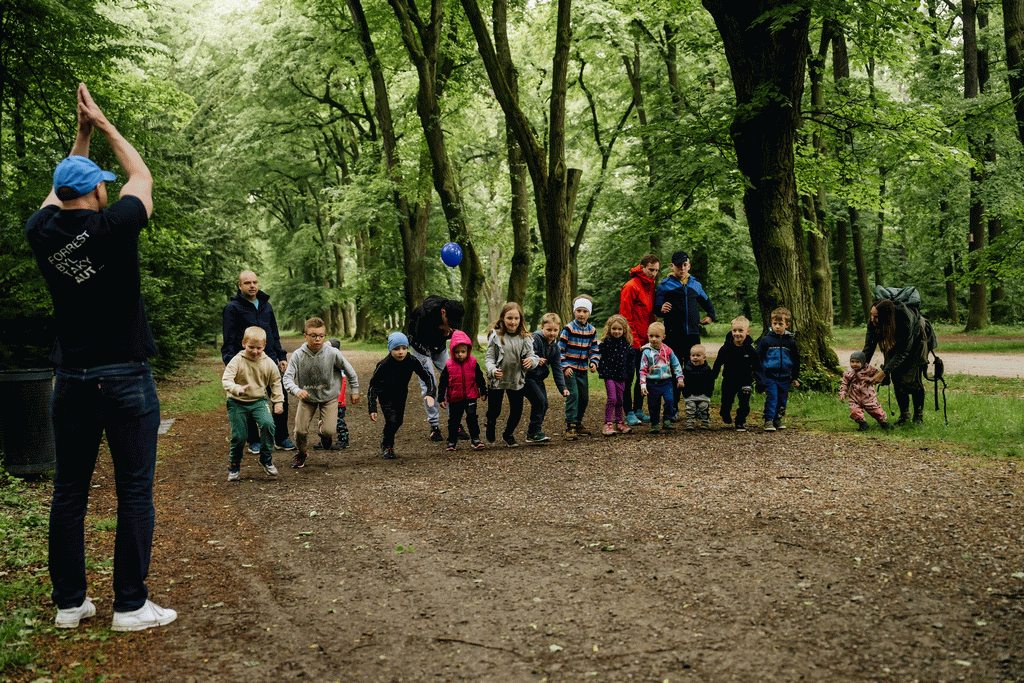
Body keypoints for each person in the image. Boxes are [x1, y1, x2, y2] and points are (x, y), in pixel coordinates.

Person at [25, 83, 176, 631]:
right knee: (133, 490)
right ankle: (130, 606)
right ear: (95, 192)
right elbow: (142, 176)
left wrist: (79, 137)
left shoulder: (42, 231)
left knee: (69, 491)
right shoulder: (115, 225)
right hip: (125, 378)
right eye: (101, 185)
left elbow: (57, 190)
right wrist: (103, 125)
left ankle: (70, 603)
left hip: (71, 380)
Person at [221, 270, 296, 452]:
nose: (252, 285)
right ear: (240, 286)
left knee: (280, 395)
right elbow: (229, 339)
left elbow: (274, 334)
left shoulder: (266, 306)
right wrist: (231, 362)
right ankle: (254, 440)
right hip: (245, 361)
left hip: (268, 359)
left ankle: (281, 437)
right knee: (248, 399)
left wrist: (281, 356)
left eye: (254, 282)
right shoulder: (232, 308)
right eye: (247, 283)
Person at [281, 317, 360, 469]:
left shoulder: (333, 353)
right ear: (305, 336)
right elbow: (287, 378)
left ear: (324, 335)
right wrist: (297, 390)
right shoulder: (298, 355)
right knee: (300, 431)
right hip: (307, 398)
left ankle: (323, 432)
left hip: (329, 397)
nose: (317, 339)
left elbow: (350, 371)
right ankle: (302, 453)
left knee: (329, 431)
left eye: (321, 336)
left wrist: (355, 390)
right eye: (313, 335)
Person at [654, 251, 716, 418]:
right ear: (671, 266)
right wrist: (660, 309)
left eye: (685, 265)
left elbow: (707, 302)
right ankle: (672, 408)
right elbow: (656, 306)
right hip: (673, 336)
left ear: (689, 265)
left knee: (695, 372)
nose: (682, 268)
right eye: (678, 265)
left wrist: (711, 316)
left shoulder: (695, 284)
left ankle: (696, 408)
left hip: (692, 335)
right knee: (674, 371)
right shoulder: (665, 285)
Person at [221, 326, 284, 480]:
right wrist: (236, 388)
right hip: (237, 402)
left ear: (264, 346)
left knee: (268, 425)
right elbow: (226, 379)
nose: (255, 351)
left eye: (259, 348)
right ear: (244, 343)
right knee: (240, 436)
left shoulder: (268, 362)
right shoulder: (237, 360)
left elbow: (276, 382)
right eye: (251, 347)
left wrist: (278, 401)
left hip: (258, 401)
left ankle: (266, 459)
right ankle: (234, 465)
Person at [367, 332, 437, 459]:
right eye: (396, 349)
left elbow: (427, 377)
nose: (401, 352)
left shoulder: (411, 360)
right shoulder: (384, 365)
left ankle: (386, 439)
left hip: (401, 395)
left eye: (404, 348)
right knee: (391, 420)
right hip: (385, 395)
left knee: (398, 421)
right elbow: (373, 386)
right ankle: (388, 446)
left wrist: (430, 393)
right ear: (390, 349)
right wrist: (372, 407)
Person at [407, 295, 466, 441]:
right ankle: (434, 426)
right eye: (449, 322)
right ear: (443, 312)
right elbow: (419, 337)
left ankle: (455, 423)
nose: (452, 325)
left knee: (454, 378)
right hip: (420, 347)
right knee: (430, 384)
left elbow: (453, 333)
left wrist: (446, 333)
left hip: (439, 347)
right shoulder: (423, 314)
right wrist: (441, 331)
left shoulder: (453, 314)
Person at [862, 299, 927, 426]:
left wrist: (884, 372)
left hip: (916, 343)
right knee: (896, 377)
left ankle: (918, 417)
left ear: (886, 317)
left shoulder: (905, 319)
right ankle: (904, 415)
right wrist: (860, 370)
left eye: (876, 317)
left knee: (913, 380)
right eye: (871, 315)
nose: (872, 319)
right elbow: (869, 347)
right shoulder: (873, 322)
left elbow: (903, 351)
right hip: (894, 342)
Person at [485, 302, 540, 447]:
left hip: (516, 379)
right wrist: (492, 370)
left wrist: (531, 361)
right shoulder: (496, 335)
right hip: (497, 379)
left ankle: (508, 434)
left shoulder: (525, 337)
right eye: (509, 318)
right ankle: (490, 422)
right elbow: (489, 358)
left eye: (516, 318)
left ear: (521, 319)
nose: (513, 322)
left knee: (517, 411)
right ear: (503, 318)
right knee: (494, 410)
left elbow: (532, 356)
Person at [618, 254, 660, 426]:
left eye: (656, 270)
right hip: (632, 341)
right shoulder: (631, 286)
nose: (654, 273)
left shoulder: (650, 286)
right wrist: (634, 341)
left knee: (643, 376)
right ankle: (628, 411)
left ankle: (638, 410)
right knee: (628, 377)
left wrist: (652, 337)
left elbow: (649, 314)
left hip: (646, 340)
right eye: (651, 270)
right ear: (642, 267)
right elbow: (625, 317)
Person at [438, 330, 488, 451]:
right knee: (454, 420)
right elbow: (443, 382)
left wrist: (483, 391)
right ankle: (452, 441)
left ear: (468, 351)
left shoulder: (473, 363)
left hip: (471, 396)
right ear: (452, 351)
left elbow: (480, 378)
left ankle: (475, 439)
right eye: (457, 352)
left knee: (472, 417)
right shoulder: (449, 365)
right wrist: (441, 397)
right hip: (455, 398)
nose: (460, 354)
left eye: (463, 351)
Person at [524, 313, 570, 444]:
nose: (552, 333)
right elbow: (528, 354)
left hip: (538, 379)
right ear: (542, 327)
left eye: (555, 330)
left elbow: (557, 368)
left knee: (544, 404)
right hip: (528, 377)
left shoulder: (555, 347)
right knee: (539, 401)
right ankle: (533, 432)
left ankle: (534, 432)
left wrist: (563, 388)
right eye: (549, 330)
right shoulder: (535, 339)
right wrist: (536, 359)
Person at [559, 297, 601, 440]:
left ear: (589, 313)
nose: (581, 314)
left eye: (584, 311)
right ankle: (570, 426)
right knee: (573, 395)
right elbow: (560, 350)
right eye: (579, 311)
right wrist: (565, 366)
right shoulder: (568, 329)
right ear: (574, 311)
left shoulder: (592, 330)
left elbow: (594, 349)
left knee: (584, 398)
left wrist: (594, 362)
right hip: (569, 369)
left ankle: (578, 422)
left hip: (582, 369)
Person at [756, 306, 801, 432]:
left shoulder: (790, 342)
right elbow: (758, 358)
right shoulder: (766, 340)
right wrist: (759, 377)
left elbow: (796, 359)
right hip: (770, 376)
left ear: (787, 325)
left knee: (782, 399)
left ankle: (777, 419)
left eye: (780, 324)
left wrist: (795, 377)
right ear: (771, 323)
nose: (777, 326)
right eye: (774, 323)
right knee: (772, 397)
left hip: (785, 377)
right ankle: (769, 420)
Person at [711, 316, 760, 432]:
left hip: (745, 380)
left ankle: (740, 421)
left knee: (744, 403)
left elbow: (757, 366)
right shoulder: (725, 348)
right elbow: (718, 363)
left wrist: (760, 381)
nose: (737, 333)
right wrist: (713, 376)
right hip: (729, 380)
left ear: (747, 331)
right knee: (726, 401)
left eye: (740, 330)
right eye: (734, 330)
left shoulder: (750, 350)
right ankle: (725, 413)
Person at [639, 322, 685, 433]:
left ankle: (667, 420)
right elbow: (643, 369)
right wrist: (643, 385)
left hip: (666, 382)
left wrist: (679, 378)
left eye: (657, 336)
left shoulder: (668, 350)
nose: (654, 339)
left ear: (663, 337)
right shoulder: (646, 352)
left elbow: (676, 364)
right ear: (647, 335)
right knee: (653, 404)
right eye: (651, 336)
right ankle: (655, 423)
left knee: (670, 400)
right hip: (652, 383)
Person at [598, 314, 634, 436]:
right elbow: (598, 356)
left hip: (621, 376)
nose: (616, 331)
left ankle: (619, 422)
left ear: (624, 330)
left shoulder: (626, 344)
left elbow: (630, 361)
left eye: (619, 329)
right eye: (614, 328)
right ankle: (608, 423)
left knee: (620, 399)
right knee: (612, 398)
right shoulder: (605, 343)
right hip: (609, 375)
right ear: (609, 329)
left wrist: (629, 374)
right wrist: (601, 369)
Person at [840, 351, 892, 431]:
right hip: (854, 397)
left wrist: (873, 379)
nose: (854, 364)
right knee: (854, 411)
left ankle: (883, 422)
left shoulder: (869, 369)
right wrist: (843, 392)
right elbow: (845, 383)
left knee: (876, 411)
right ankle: (863, 424)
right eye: (852, 362)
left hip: (868, 396)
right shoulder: (849, 373)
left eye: (857, 362)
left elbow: (878, 375)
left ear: (863, 362)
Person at [681, 344, 715, 430]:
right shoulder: (686, 369)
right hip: (690, 394)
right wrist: (685, 393)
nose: (695, 357)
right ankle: (690, 423)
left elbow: (710, 383)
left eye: (698, 355)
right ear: (690, 357)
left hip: (704, 394)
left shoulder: (707, 369)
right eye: (693, 355)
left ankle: (705, 422)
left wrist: (708, 393)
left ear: (704, 357)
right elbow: (683, 382)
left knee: (704, 408)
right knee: (690, 408)